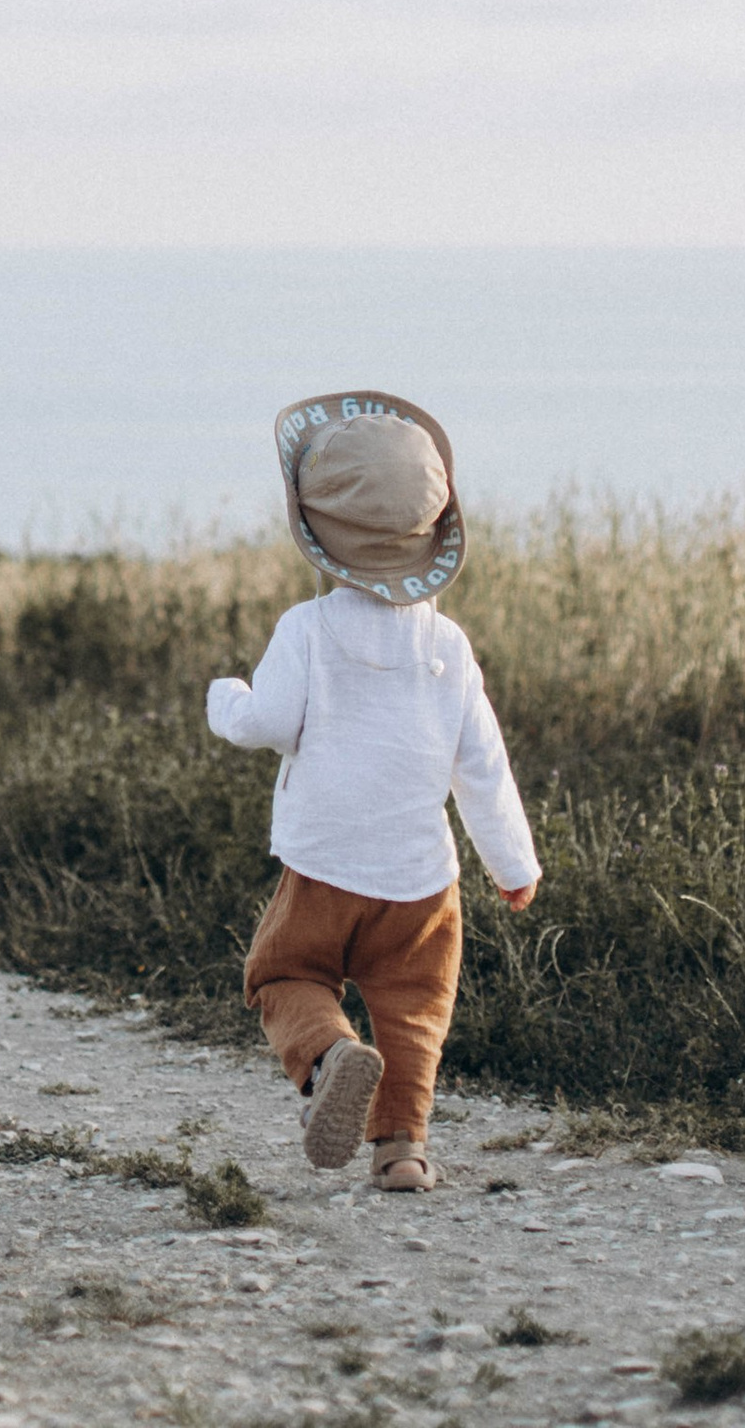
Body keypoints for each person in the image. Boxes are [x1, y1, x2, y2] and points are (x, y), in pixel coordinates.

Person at [206, 389, 539, 1193]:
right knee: (415, 1011)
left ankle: (328, 1057)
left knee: (283, 975)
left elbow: (269, 722)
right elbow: (482, 766)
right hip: (421, 878)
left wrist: (226, 701)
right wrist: (513, 865)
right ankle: (402, 1152)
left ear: (316, 532)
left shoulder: (307, 628)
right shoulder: (449, 644)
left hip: (324, 863)